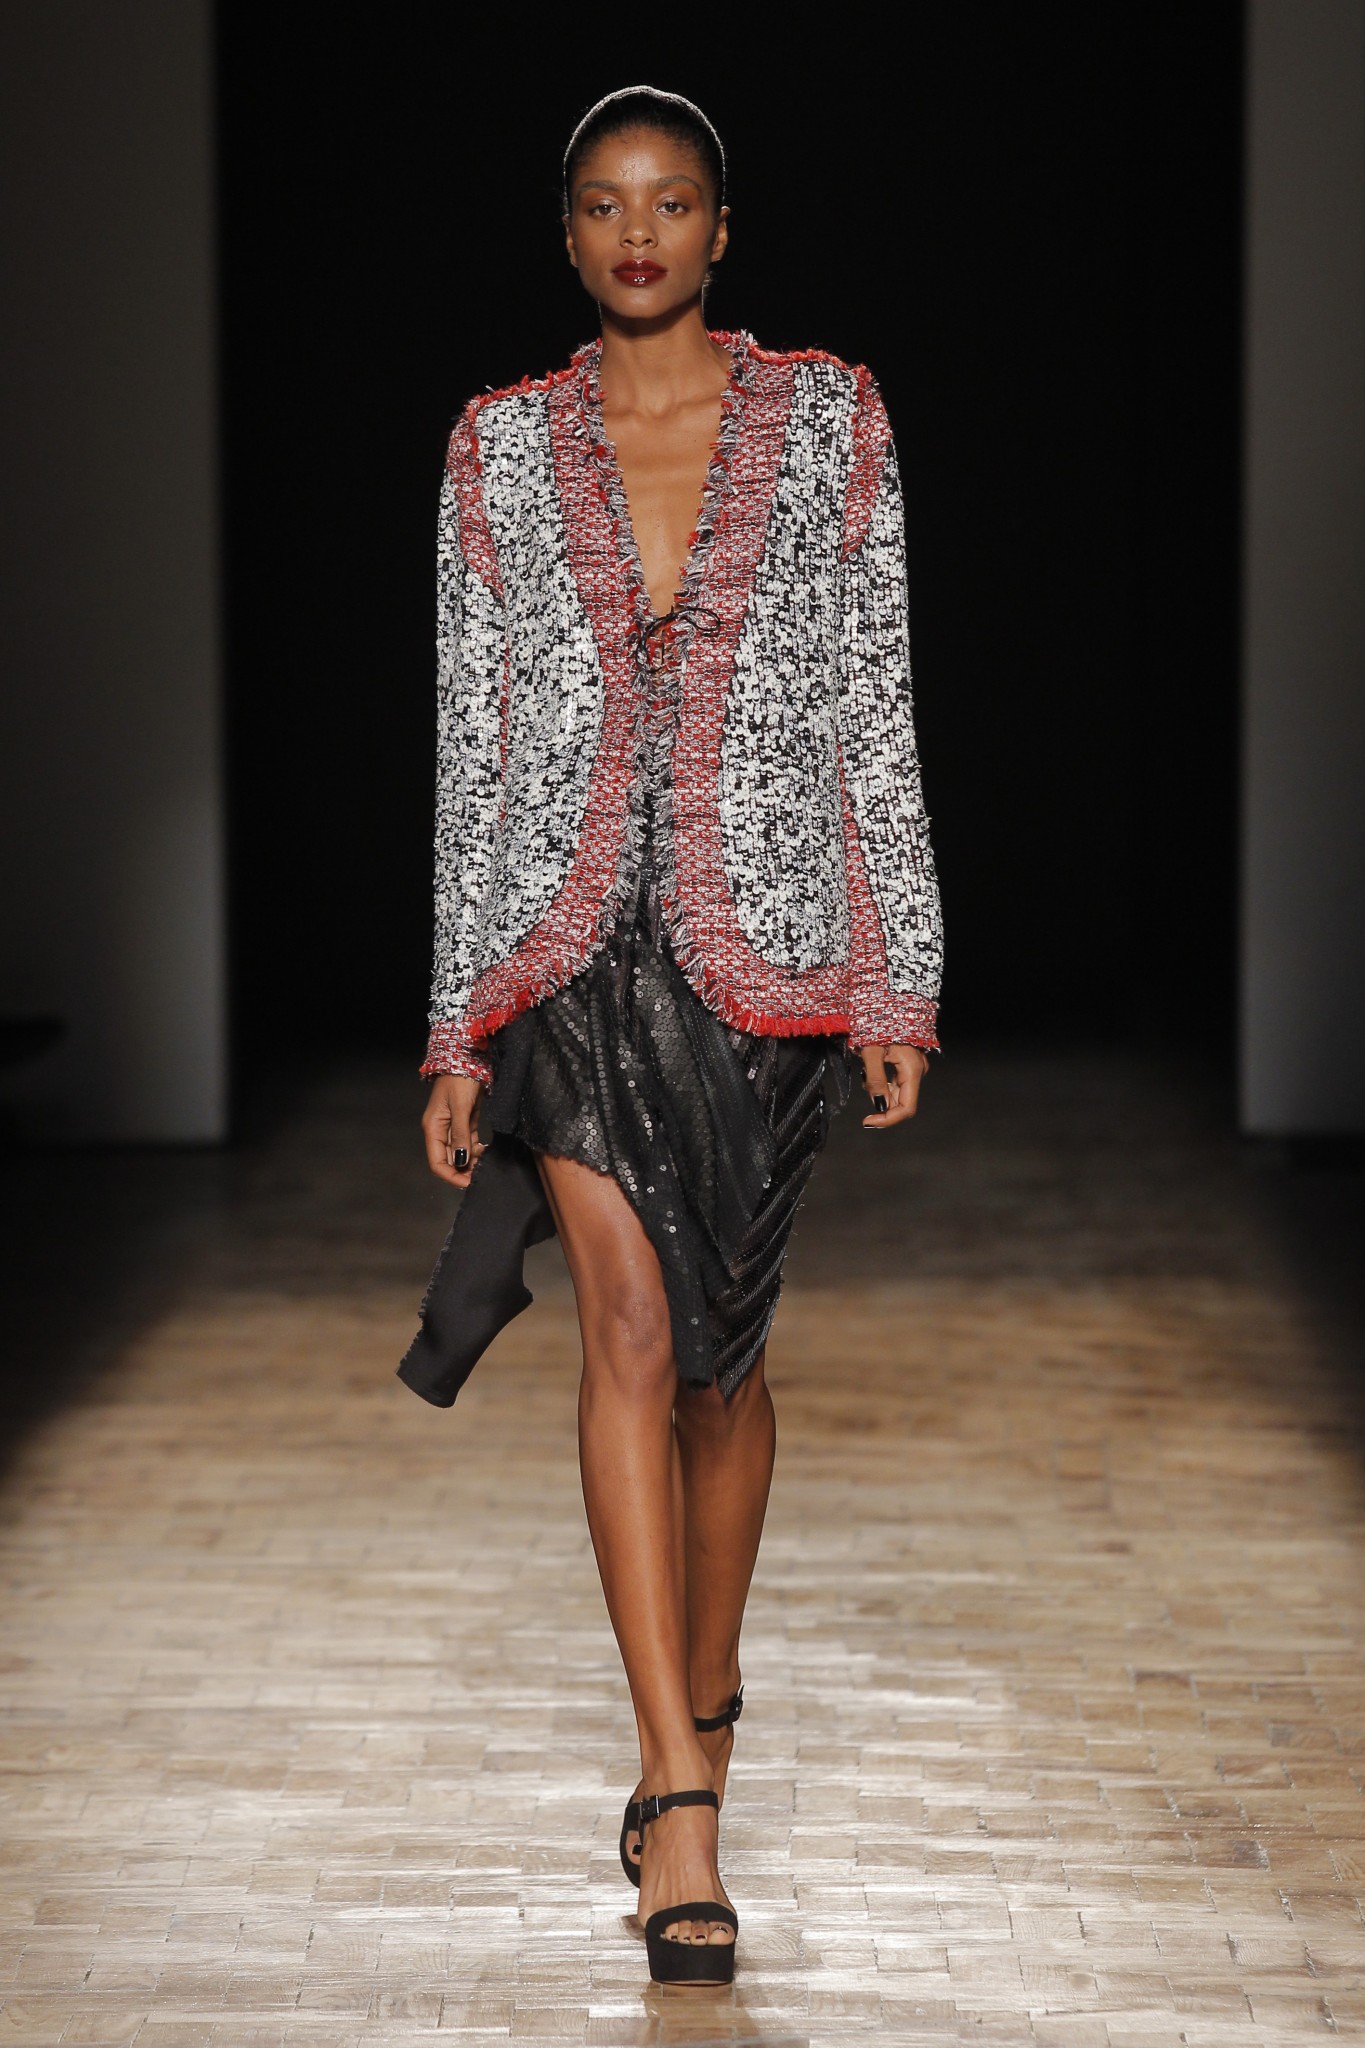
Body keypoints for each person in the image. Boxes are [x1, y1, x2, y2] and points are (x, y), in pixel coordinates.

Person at [406, 85, 943, 1988]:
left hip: (763, 950)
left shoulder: (831, 421)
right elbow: (469, 746)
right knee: (628, 1329)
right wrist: (458, 1019)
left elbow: (872, 701)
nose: (639, 234)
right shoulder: (493, 447)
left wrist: (897, 973)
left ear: (721, 230)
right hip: (567, 953)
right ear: (566, 232)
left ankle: (699, 1705)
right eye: (604, 205)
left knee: (722, 1360)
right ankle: (680, 1805)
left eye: (674, 203)